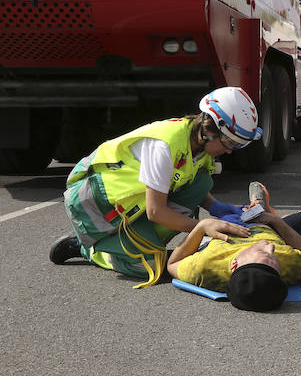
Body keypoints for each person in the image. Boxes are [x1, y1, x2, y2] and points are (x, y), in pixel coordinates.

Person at [49, 86, 263, 288]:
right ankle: (91, 250)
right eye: (230, 143)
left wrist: (216, 207)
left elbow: (193, 184)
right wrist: (203, 227)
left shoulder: (199, 146)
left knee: (202, 182)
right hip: (99, 208)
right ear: (209, 129)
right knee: (155, 266)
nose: (229, 151)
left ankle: (137, 245)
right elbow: (155, 211)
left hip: (135, 209)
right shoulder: (164, 146)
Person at [167, 182, 301, 312]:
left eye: (262, 253)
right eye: (275, 259)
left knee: (228, 212)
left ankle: (237, 207)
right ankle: (263, 209)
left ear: (235, 264)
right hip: (272, 228)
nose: (270, 248)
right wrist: (276, 222)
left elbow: (172, 264)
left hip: (225, 226)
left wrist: (201, 227)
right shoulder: (289, 267)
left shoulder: (205, 267)